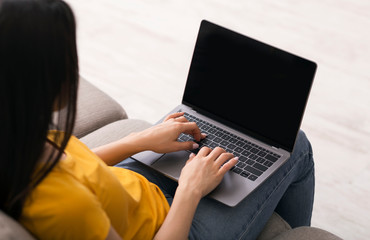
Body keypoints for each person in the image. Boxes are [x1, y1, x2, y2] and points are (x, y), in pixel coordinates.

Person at [0, 0, 315, 239]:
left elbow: (71, 166)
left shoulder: (16, 133)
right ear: (39, 79)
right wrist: (190, 190)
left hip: (132, 193)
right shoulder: (68, 208)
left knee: (194, 121)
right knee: (294, 144)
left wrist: (137, 141)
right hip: (173, 226)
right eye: (66, 58)